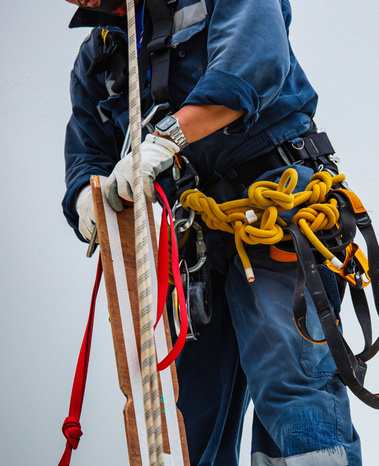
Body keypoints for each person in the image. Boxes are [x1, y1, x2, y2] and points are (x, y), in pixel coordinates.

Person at [61, 0, 363, 464]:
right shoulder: (100, 57)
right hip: (193, 241)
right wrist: (87, 197)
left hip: (270, 209)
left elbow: (252, 65)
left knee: (291, 385)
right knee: (188, 418)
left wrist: (167, 139)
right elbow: (88, 153)